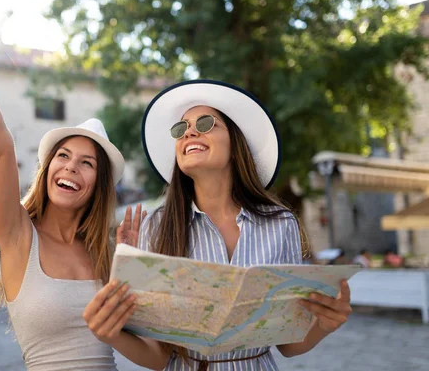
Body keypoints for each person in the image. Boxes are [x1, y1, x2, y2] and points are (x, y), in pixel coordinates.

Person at [0, 0, 153, 370]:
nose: (71, 166)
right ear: (47, 171)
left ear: (97, 186)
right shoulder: (18, 235)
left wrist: (133, 267)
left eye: (87, 163)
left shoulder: (108, 254)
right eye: (63, 155)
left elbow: (157, 359)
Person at [87, 80, 354, 370]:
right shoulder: (156, 226)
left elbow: (288, 343)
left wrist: (326, 323)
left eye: (205, 123)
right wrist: (110, 335)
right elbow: (159, 356)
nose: (189, 131)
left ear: (236, 143)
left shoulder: (282, 224)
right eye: (181, 128)